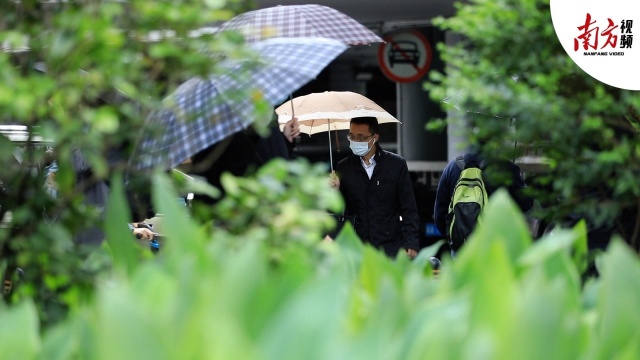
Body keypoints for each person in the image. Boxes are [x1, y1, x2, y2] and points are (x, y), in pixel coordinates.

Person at [328, 117, 420, 259]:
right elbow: (339, 210)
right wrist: (335, 191)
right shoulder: (344, 167)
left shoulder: (396, 165)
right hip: (357, 246)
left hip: (390, 247)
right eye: (351, 136)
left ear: (375, 137)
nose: (355, 141)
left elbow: (409, 209)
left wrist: (411, 243)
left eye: (361, 137)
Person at [434, 151, 534, 255]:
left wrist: (457, 238)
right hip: (494, 249)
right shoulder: (505, 168)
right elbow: (526, 204)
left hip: (461, 251)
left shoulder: (452, 167)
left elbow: (440, 216)